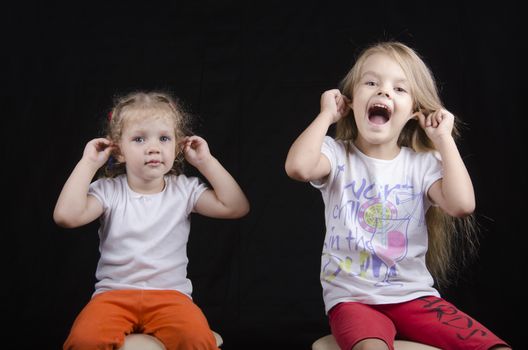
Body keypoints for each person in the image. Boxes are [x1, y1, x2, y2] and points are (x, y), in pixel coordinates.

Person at [285, 41, 510, 350]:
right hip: (353, 300)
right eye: (371, 83)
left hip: (415, 298)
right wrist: (326, 115)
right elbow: (298, 167)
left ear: (414, 112)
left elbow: (461, 205)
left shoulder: (422, 164)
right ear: (349, 100)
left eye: (399, 89)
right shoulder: (336, 155)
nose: (384, 92)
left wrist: (444, 139)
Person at [54, 91, 250, 350]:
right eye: (139, 139)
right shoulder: (109, 190)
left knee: (196, 340)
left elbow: (236, 207)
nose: (153, 147)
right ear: (119, 150)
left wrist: (206, 162)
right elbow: (66, 216)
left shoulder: (184, 190)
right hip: (113, 296)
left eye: (164, 138)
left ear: (177, 147)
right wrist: (88, 164)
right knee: (84, 341)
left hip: (171, 297)